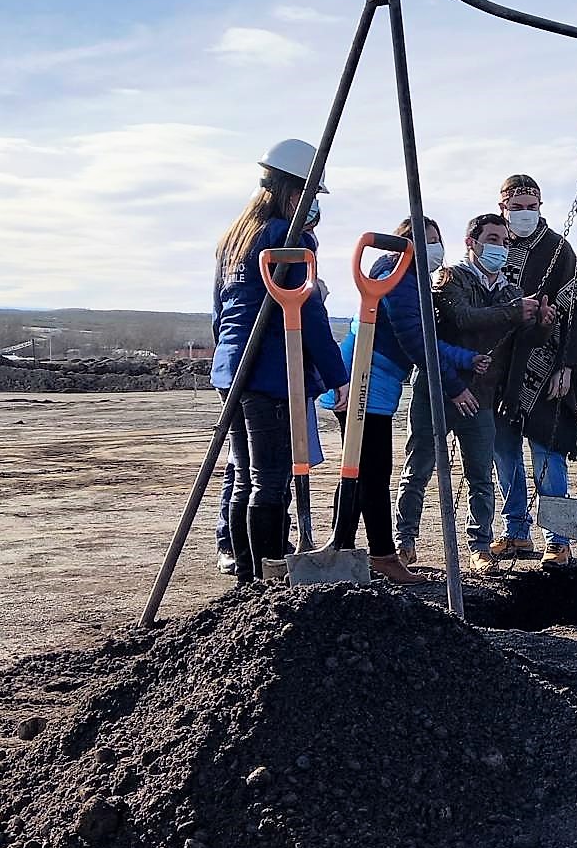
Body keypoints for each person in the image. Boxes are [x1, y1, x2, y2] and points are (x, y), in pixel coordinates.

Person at [210, 138, 349, 583]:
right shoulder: (288, 238)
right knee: (270, 479)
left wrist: (230, 359)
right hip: (271, 372)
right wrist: (336, 376)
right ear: (294, 192)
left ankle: (247, 574)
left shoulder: (235, 236)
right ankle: (268, 575)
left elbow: (219, 311)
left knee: (247, 476)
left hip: (233, 368)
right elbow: (309, 311)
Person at [322, 220, 486, 585]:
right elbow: (416, 342)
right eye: (425, 242)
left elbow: (426, 337)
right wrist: (456, 386)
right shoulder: (395, 276)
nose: (434, 248)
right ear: (403, 245)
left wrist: (463, 358)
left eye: (436, 241)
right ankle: (380, 555)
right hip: (363, 380)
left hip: (375, 379)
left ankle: (348, 548)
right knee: (371, 470)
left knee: (362, 469)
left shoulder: (410, 279)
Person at [424, 214, 551, 574]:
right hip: (443, 389)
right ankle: (405, 545)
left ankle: (479, 546)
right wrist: (512, 311)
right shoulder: (451, 279)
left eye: (504, 242)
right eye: (493, 240)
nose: (500, 248)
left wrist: (542, 324)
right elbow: (463, 318)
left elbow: (522, 340)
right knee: (419, 469)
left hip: (482, 395)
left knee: (481, 474)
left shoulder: (508, 290)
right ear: (472, 242)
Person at [491, 174, 577, 569]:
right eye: (516, 207)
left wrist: (569, 367)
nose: (524, 214)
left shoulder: (558, 249)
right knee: (504, 454)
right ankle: (515, 532)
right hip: (499, 372)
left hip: (546, 370)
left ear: (541, 206)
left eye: (531, 206)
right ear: (503, 206)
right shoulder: (493, 244)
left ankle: (558, 538)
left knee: (547, 453)